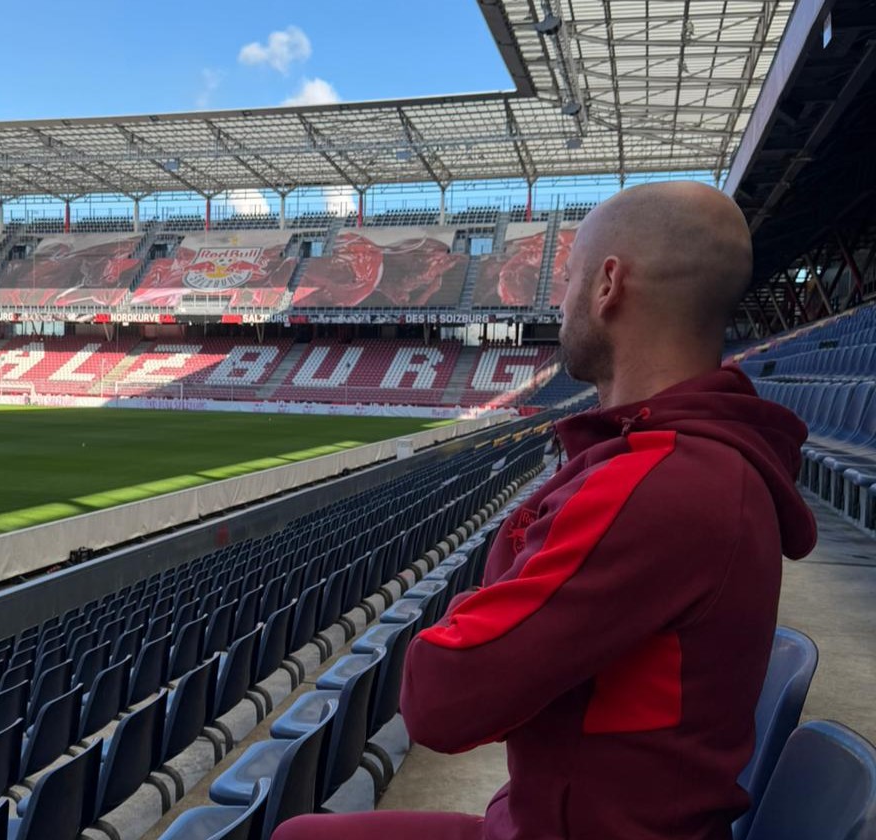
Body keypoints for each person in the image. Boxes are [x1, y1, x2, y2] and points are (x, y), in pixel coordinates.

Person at [273, 182, 817, 840]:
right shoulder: (698, 466)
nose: (558, 302)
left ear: (608, 285)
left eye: (568, 279)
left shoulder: (658, 486)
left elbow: (440, 702)